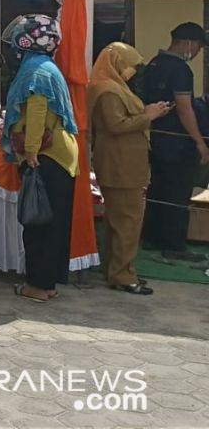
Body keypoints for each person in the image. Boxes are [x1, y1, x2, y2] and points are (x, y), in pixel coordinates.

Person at [1, 14, 79, 303]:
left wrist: (31, 151)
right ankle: (48, 283)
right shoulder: (46, 67)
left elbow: (36, 110)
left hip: (46, 156)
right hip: (59, 156)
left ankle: (38, 285)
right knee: (53, 223)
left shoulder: (35, 71)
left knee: (38, 224)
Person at [91, 42, 172, 295]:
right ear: (115, 63)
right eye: (129, 65)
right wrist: (149, 115)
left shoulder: (113, 87)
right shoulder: (108, 91)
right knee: (128, 222)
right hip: (120, 165)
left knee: (120, 221)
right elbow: (115, 125)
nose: (133, 71)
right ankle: (123, 276)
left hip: (124, 164)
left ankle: (117, 271)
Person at [141, 22, 209, 262]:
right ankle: (174, 244)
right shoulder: (180, 69)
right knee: (178, 194)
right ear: (188, 43)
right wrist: (200, 142)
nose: (198, 52)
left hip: (158, 138)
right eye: (199, 47)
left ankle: (151, 237)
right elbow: (185, 109)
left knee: (158, 189)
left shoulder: (154, 63)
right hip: (179, 143)